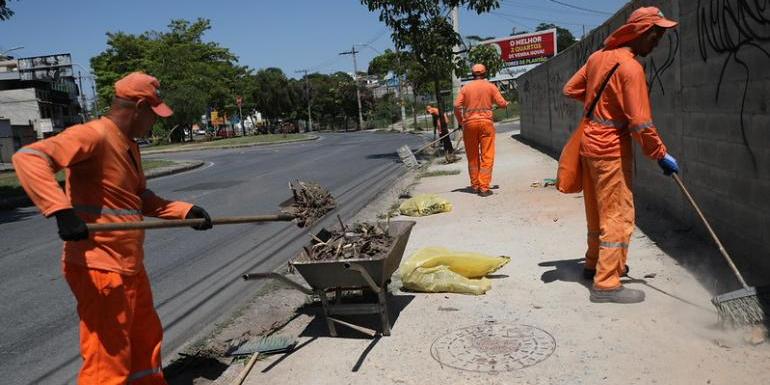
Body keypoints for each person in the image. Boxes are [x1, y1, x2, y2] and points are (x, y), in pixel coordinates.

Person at [12, 72, 213, 384]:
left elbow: (140, 198)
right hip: (99, 267)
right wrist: (61, 211)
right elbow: (29, 157)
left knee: (145, 342)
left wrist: (186, 212)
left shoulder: (129, 146)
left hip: (129, 265)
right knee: (108, 358)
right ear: (138, 107)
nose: (155, 122)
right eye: (153, 114)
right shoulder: (94, 135)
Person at [562, 7, 680, 304]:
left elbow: (570, 88)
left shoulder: (597, 58)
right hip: (611, 150)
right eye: (656, 34)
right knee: (618, 214)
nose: (658, 41)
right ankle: (607, 282)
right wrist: (660, 154)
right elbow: (641, 123)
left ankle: (594, 264)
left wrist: (598, 102)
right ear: (641, 32)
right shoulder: (631, 69)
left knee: (596, 212)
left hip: (589, 146)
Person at [453, 63, 508, 197]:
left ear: (472, 74)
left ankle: (475, 185)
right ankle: (484, 187)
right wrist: (505, 104)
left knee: (472, 156)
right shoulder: (490, 86)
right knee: (487, 155)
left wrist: (462, 121)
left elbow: (456, 105)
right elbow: (501, 103)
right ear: (485, 73)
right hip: (486, 124)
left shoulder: (465, 88)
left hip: (469, 125)